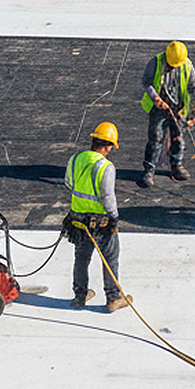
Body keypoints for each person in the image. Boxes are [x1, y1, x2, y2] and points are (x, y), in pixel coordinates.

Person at [65, 122, 133, 312]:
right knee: (110, 258)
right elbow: (107, 196)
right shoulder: (106, 167)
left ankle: (79, 296)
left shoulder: (76, 158)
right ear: (107, 145)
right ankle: (113, 299)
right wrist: (114, 217)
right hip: (101, 223)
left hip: (78, 220)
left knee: (81, 257)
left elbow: (69, 183)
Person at [138, 40, 195, 188]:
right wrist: (156, 98)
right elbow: (146, 82)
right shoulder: (155, 63)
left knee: (177, 137)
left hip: (178, 108)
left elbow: (194, 88)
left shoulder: (186, 66)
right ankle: (149, 170)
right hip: (158, 108)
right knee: (156, 138)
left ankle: (176, 165)